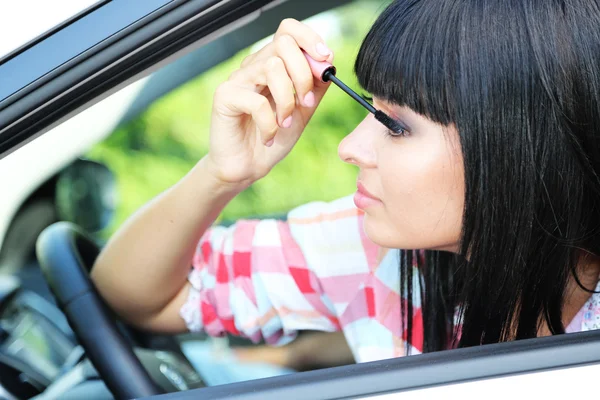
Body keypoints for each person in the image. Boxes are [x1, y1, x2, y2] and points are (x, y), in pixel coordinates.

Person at [91, 0, 600, 365]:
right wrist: (223, 173)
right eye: (370, 107)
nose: (349, 148)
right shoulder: (371, 254)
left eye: (395, 126)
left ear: (523, 151)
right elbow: (138, 297)